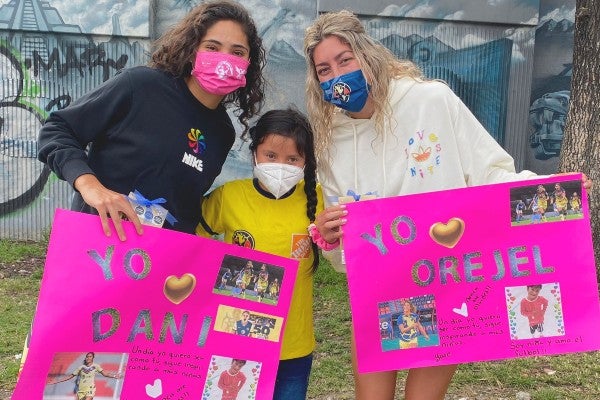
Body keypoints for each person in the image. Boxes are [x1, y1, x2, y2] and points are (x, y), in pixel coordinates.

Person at [303, 9, 592, 400]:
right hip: (379, 286)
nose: (336, 75)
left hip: (441, 279)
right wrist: (331, 234)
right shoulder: (330, 140)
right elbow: (343, 238)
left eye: (344, 59)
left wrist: (548, 191)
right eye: (323, 69)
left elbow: (488, 172)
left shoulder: (430, 100)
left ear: (368, 55)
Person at [37, 0, 266, 240]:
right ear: (191, 50)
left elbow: (184, 202)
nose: (224, 59)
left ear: (248, 64)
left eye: (237, 52)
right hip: (96, 244)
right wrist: (89, 185)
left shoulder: (222, 132)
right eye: (212, 47)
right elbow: (57, 129)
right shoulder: (140, 86)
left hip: (159, 261)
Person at [196, 108, 323, 400]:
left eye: (292, 159)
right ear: (254, 153)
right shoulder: (230, 196)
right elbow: (195, 244)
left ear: (306, 161)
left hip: (293, 344)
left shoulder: (318, 198)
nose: (281, 166)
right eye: (271, 155)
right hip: (236, 340)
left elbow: (339, 251)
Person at [48, 352, 122, 400]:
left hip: (90, 389)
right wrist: (57, 381)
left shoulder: (96, 366)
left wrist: (115, 375)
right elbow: (70, 376)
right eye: (87, 356)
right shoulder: (80, 368)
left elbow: (105, 374)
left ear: (92, 358)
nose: (88, 358)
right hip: (81, 389)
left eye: (90, 356)